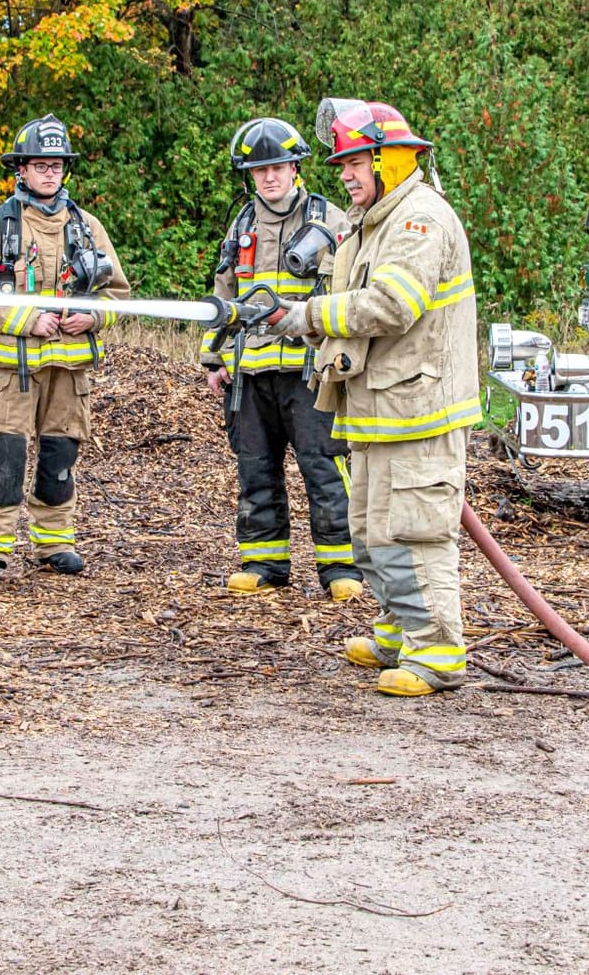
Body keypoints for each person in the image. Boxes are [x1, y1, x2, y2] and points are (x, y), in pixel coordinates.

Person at [272, 99, 478, 697]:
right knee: (371, 533)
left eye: (355, 163)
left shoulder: (418, 220)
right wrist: (304, 322)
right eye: (342, 164)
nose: (344, 175)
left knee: (414, 533)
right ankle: (398, 633)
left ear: (390, 160)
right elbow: (354, 310)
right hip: (378, 409)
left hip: (419, 412)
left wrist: (308, 314)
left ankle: (436, 652)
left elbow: (392, 306)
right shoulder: (373, 223)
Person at [0, 114, 129, 583]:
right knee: (4, 457)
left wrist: (93, 317)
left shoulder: (88, 227)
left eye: (56, 165)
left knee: (59, 459)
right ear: (22, 170)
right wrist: (27, 320)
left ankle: (54, 543)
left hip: (69, 373)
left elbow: (118, 293)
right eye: (40, 165)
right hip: (11, 368)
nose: (49, 173)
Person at [200, 118, 358, 599]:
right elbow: (224, 292)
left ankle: (342, 567)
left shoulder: (331, 219)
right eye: (259, 170)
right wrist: (214, 358)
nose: (269, 177)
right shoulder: (242, 224)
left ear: (295, 168)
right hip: (250, 372)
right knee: (255, 469)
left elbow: (353, 291)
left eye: (277, 167)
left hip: (309, 370)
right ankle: (263, 563)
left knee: (325, 466)